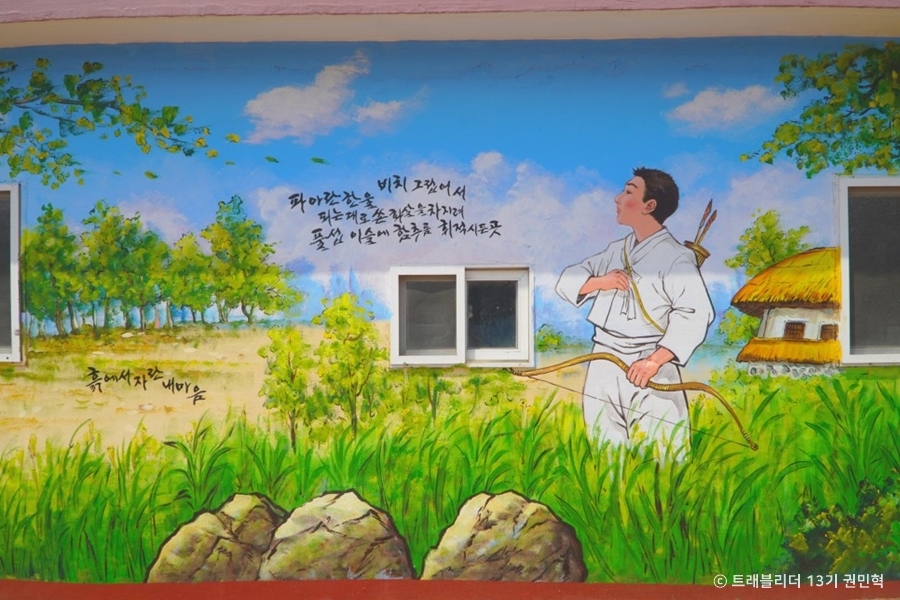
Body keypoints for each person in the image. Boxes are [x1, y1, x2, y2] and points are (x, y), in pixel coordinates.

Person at [555, 167, 714, 454]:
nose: (617, 198)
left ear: (649, 206)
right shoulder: (617, 250)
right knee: (605, 447)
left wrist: (654, 361)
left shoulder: (676, 258)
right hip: (604, 358)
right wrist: (599, 282)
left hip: (651, 364)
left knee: (665, 451)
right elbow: (567, 279)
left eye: (628, 192)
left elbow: (695, 313)